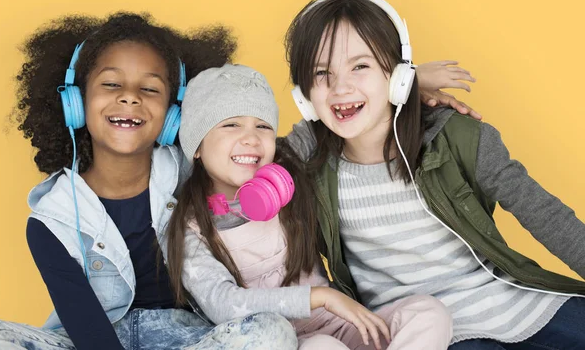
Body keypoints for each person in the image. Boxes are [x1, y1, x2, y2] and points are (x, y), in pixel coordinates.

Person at [283, 0, 585, 348]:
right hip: (421, 331)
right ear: (303, 97)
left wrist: (406, 83)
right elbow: (247, 157)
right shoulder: (310, 165)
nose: (340, 87)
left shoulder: (455, 137)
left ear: (395, 74)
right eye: (321, 73)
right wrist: (406, 82)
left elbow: (545, 214)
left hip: (512, 300)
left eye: (360, 66)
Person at [0, 13, 297, 350]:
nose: (130, 97)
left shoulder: (193, 172)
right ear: (75, 101)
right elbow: (87, 329)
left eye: (149, 89)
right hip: (93, 339)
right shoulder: (51, 220)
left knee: (272, 331)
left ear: (173, 114)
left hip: (190, 337)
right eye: (111, 84)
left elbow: (260, 160)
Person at [166, 63, 454, 350]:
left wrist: (403, 87)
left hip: (339, 323)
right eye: (231, 124)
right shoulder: (190, 227)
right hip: (291, 342)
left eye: (263, 126)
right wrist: (319, 297)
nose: (251, 138)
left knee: (428, 312)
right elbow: (223, 304)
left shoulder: (288, 170)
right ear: (197, 146)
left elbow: (331, 120)